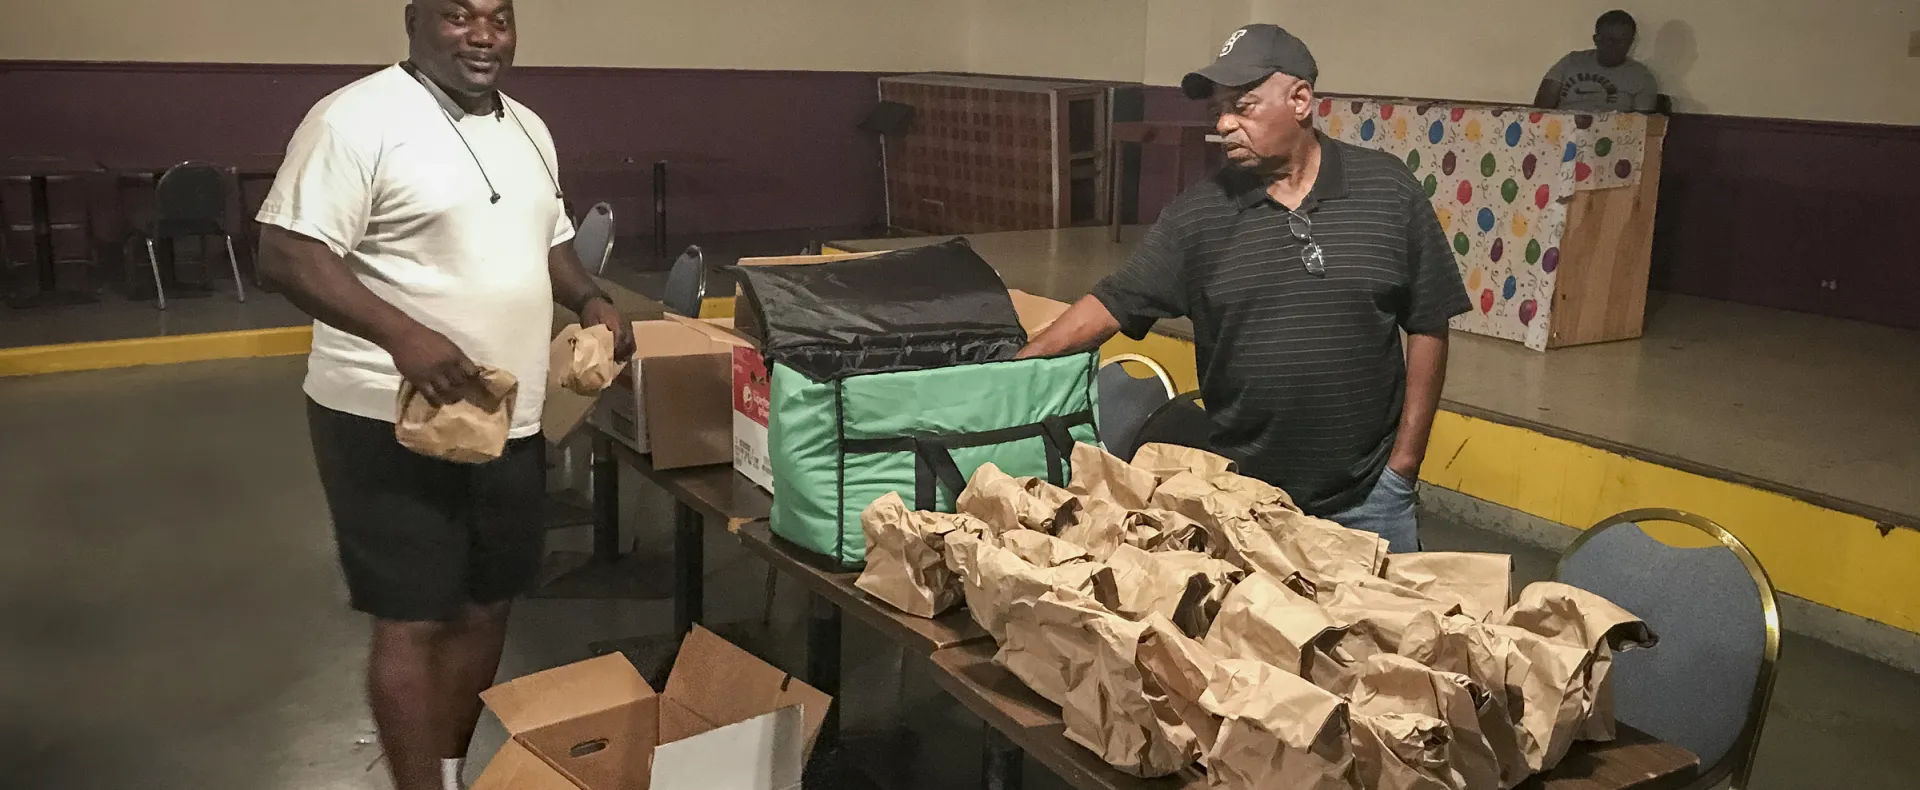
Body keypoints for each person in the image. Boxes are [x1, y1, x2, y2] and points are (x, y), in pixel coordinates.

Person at [254, 2, 633, 789]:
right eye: (459, 16)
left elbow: (549, 237)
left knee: (487, 606)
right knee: (414, 619)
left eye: (498, 17)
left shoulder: (528, 125)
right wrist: (403, 337)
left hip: (508, 414)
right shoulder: (357, 119)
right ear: (415, 21)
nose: (483, 35)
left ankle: (451, 773)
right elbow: (288, 256)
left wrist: (589, 299)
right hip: (386, 415)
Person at [1020, 24, 1470, 553]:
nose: (1225, 124)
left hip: (1370, 499)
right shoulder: (1199, 217)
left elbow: (1428, 322)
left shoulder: (1388, 192)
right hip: (1245, 503)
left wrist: (1404, 466)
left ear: (1300, 99)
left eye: (1243, 105)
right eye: (1219, 110)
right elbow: (1112, 303)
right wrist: (1016, 367)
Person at [1533, 9, 1659, 112]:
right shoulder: (1571, 62)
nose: (1615, 46)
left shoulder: (1642, 76)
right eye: (1609, 40)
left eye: (1622, 41)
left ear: (1631, 42)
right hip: (1562, 133)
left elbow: (1642, 127)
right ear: (1596, 40)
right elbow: (1540, 110)